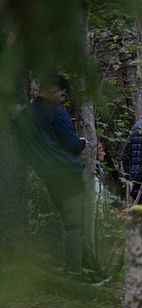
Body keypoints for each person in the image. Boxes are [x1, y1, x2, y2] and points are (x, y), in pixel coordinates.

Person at [17, 75, 87, 276]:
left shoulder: (25, 115)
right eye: (62, 95)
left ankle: (87, 268)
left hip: (48, 174)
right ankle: (74, 271)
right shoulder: (56, 113)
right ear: (54, 90)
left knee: (67, 220)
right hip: (68, 173)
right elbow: (72, 145)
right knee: (75, 223)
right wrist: (82, 142)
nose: (63, 100)